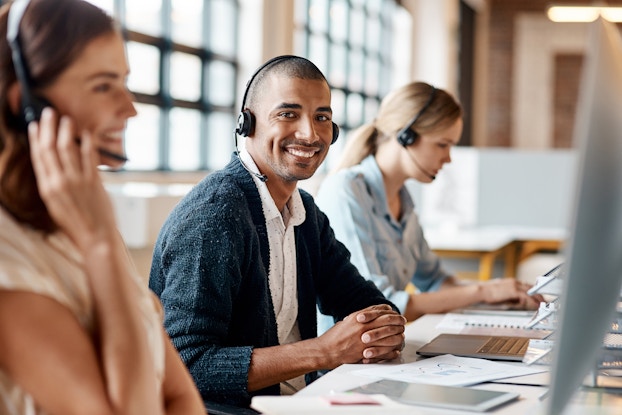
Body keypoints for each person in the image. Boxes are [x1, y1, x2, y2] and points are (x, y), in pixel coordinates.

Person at [149, 55, 407, 409]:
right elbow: (183, 364)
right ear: (247, 124)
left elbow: (365, 302)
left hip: (304, 400)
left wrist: (383, 326)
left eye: (322, 117)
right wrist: (323, 352)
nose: (310, 134)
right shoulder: (215, 216)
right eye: (288, 114)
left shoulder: (306, 215)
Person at [0, 1, 205, 414]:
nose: (130, 108)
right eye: (102, 85)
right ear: (28, 103)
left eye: (125, 82)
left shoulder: (85, 218)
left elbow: (181, 397)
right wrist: (99, 247)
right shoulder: (11, 256)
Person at [315, 81, 544, 332]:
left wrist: (501, 298)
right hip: (344, 365)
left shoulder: (404, 203)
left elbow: (434, 280)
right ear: (406, 136)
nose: (448, 158)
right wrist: (484, 290)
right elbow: (378, 303)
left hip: (382, 352)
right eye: (442, 144)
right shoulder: (346, 192)